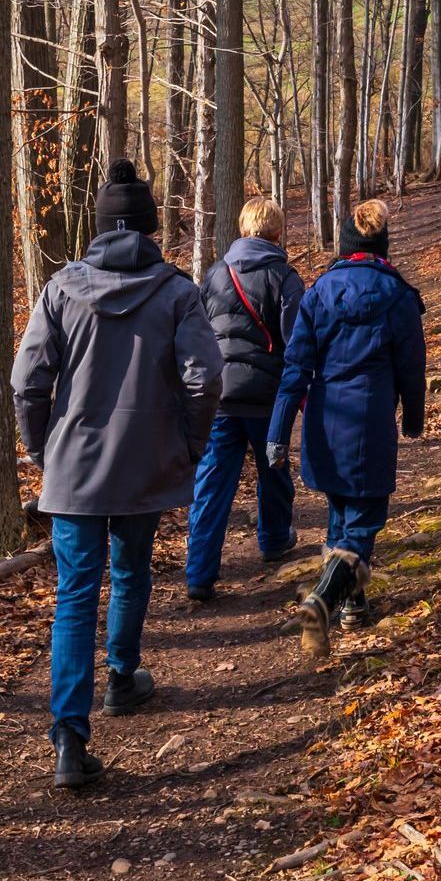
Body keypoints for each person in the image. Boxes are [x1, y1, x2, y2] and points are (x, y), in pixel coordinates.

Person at [11, 159, 222, 790]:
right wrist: (188, 442)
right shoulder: (177, 292)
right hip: (144, 463)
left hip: (73, 468)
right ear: (152, 228)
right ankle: (122, 678)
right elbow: (206, 376)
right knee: (130, 571)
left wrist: (40, 450)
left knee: (76, 593)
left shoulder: (61, 290)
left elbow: (28, 380)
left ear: (99, 229)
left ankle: (70, 739)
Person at [267, 199, 427, 659]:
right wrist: (413, 417)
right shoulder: (397, 295)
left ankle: (353, 605)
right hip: (370, 421)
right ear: (383, 244)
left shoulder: (320, 291)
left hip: (324, 420)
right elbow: (411, 367)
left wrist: (278, 432)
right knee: (362, 523)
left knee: (341, 513)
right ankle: (322, 598)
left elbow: (295, 366)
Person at [184, 197, 307, 602]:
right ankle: (273, 539)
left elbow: (200, 332)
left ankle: (199, 571)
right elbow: (296, 340)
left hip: (221, 396)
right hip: (267, 397)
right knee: (274, 468)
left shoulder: (215, 274)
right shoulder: (284, 277)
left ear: (242, 229)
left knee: (212, 481)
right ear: (276, 231)